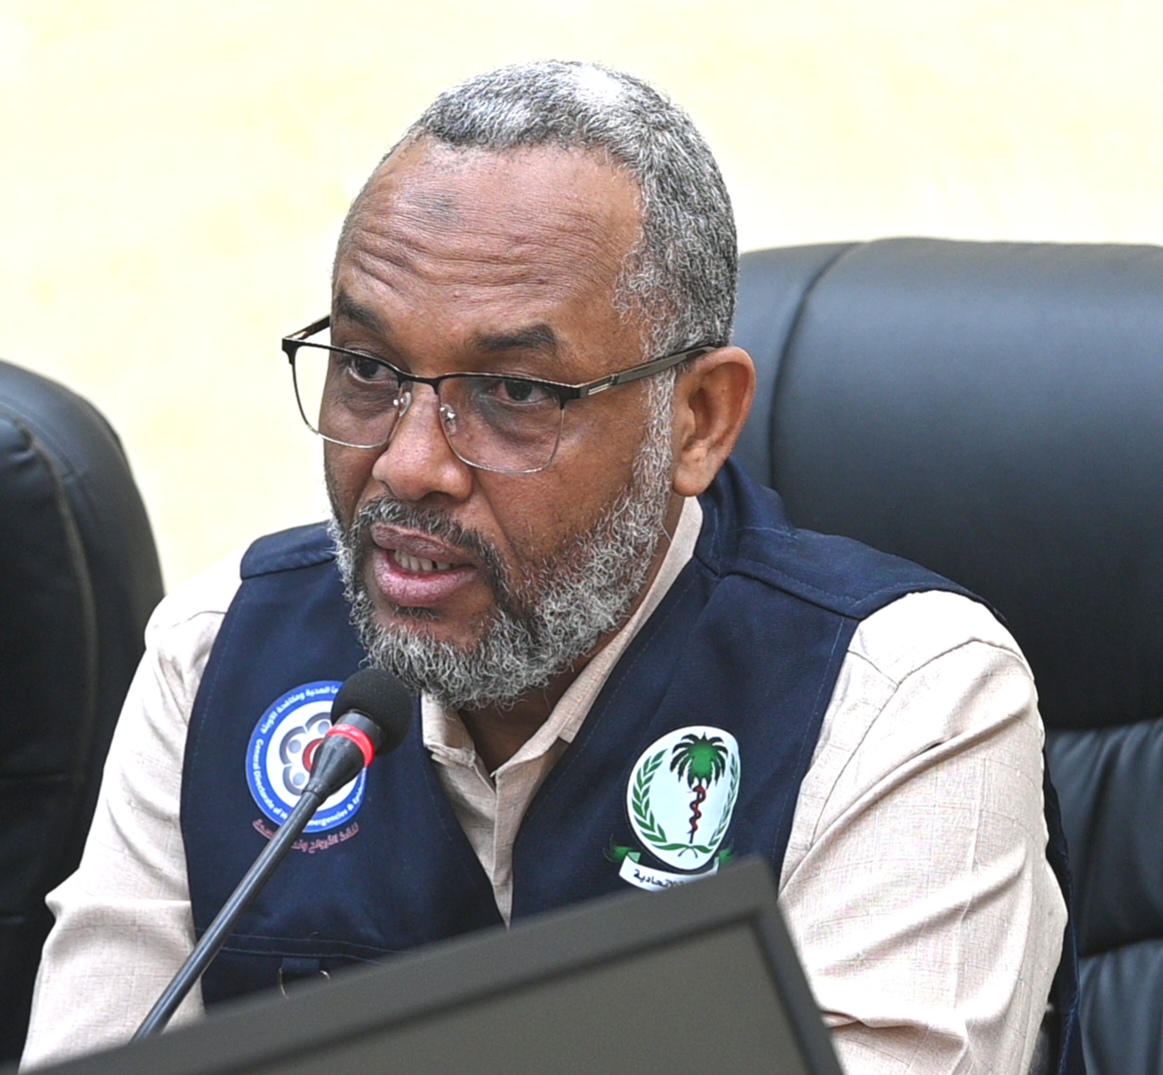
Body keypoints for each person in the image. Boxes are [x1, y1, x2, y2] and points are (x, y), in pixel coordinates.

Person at [22, 61, 1077, 1075]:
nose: (408, 464)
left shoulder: (902, 700)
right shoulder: (219, 655)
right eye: (368, 368)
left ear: (696, 421)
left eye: (515, 392)